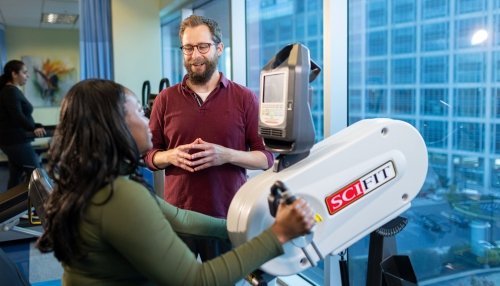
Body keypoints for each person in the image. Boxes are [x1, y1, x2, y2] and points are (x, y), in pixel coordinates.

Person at [36, 79, 315, 285]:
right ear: (114, 124)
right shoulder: (117, 195)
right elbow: (196, 280)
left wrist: (245, 228)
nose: (147, 120)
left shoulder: (94, 182)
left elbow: (179, 217)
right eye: (139, 112)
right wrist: (277, 235)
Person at [144, 15, 274, 261]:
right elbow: (148, 156)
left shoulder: (244, 98)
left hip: (227, 217)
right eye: (188, 48)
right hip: (178, 217)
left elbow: (266, 158)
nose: (195, 56)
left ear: (219, 48)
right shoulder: (165, 99)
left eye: (203, 47)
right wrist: (170, 155)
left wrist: (225, 155)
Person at [0, 59, 46, 190]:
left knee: (15, 177)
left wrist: (36, 124)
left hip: (12, 141)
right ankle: (47, 207)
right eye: (25, 73)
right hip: (15, 141)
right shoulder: (10, 91)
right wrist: (33, 128)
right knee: (38, 174)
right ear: (14, 74)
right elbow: (17, 116)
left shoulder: (10, 90)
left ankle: (7, 209)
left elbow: (19, 116)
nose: (28, 75)